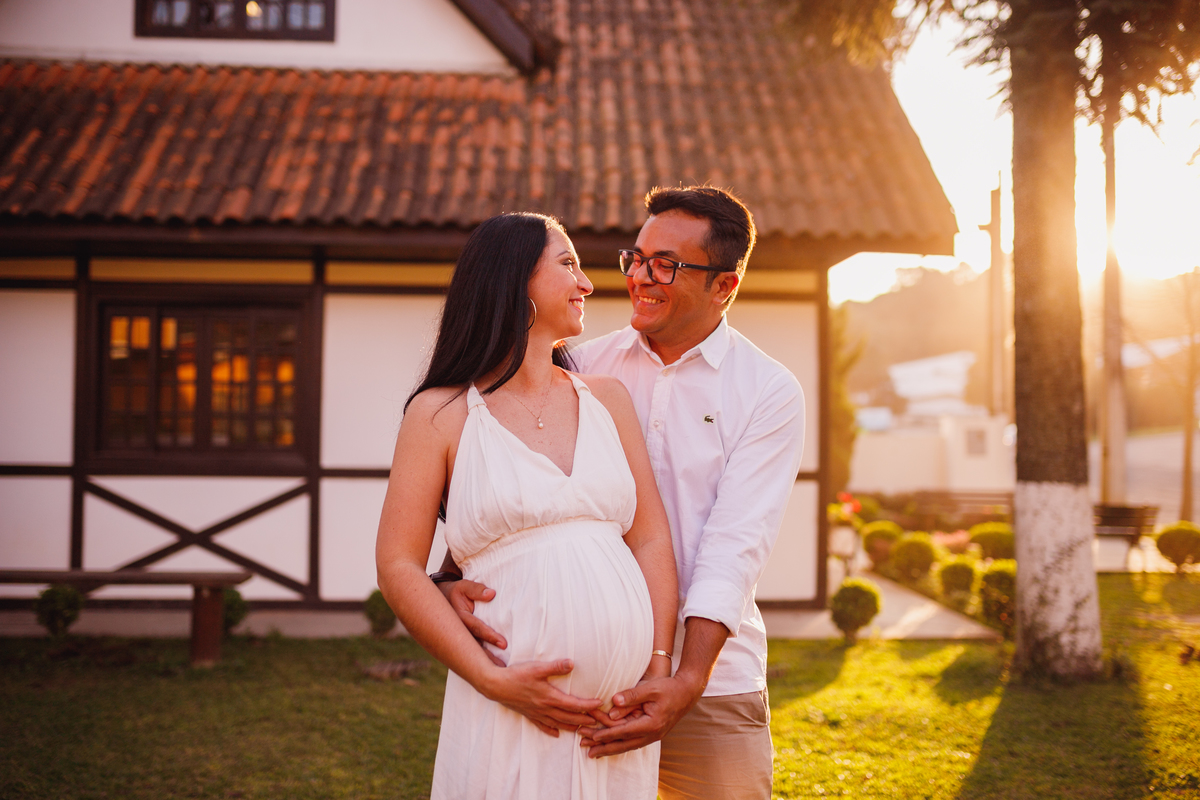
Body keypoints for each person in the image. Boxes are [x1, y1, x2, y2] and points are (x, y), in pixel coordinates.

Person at [444, 186, 806, 799]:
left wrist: (686, 676)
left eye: (665, 265)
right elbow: (508, 487)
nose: (639, 277)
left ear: (724, 286)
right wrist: (448, 577)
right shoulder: (580, 365)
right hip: (581, 686)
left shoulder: (768, 391)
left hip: (710, 682)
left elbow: (735, 546)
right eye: (635, 258)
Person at [375, 212, 679, 800]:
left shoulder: (608, 400)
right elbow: (398, 565)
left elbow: (650, 538)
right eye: (568, 264)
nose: (587, 283)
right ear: (513, 280)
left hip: (614, 721)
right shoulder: (440, 413)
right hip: (510, 706)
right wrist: (491, 681)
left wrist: (658, 663)